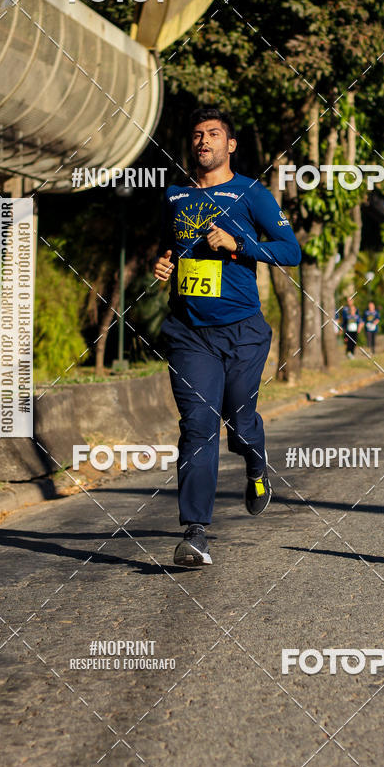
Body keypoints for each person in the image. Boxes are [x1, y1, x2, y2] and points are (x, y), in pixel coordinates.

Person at [154, 106, 301, 567]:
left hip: (242, 332)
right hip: (189, 334)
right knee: (198, 425)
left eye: (213, 134)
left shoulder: (250, 193)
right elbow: (173, 248)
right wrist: (164, 263)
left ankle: (256, 465)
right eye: (197, 135)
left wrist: (239, 245)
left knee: (239, 420)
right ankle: (195, 532)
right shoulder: (175, 195)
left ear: (230, 145)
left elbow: (290, 251)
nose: (203, 142)